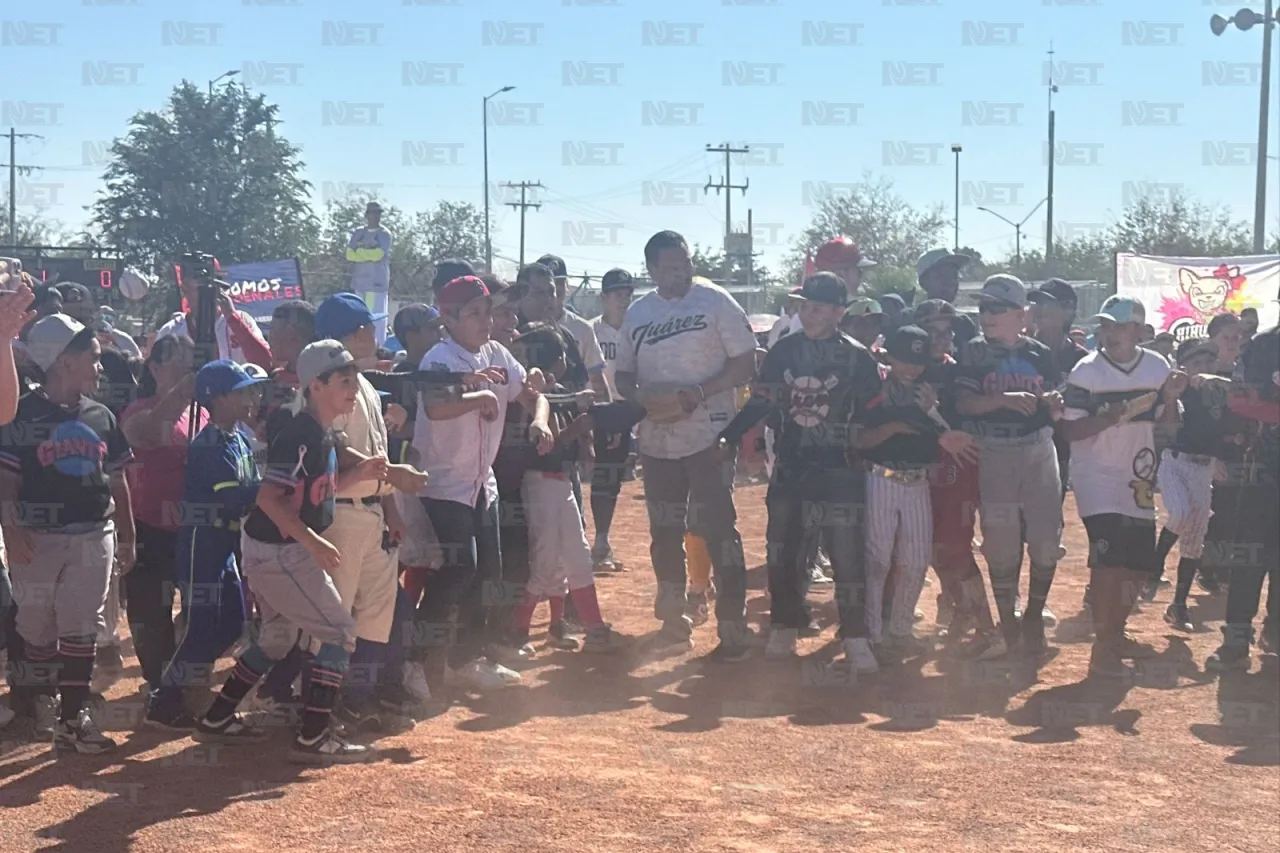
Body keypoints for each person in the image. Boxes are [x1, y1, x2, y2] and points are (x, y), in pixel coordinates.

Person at [195, 340, 382, 763]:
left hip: (275, 548)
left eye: (355, 380)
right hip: (279, 551)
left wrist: (363, 472)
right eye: (344, 381)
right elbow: (268, 498)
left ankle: (217, 717)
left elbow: (318, 492)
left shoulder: (318, 431)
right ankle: (314, 735)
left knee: (278, 638)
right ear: (316, 386)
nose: (354, 388)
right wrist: (313, 542)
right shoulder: (301, 433)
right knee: (340, 633)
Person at [715, 272, 881, 669]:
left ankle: (856, 634)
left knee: (847, 553)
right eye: (805, 305)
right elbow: (761, 402)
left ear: (839, 312)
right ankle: (785, 625)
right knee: (783, 548)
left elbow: (876, 414)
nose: (808, 313)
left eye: (818, 307)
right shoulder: (783, 352)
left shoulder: (858, 357)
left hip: (841, 468)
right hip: (792, 463)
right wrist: (732, 436)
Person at [614, 230, 759, 660]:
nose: (682, 273)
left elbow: (746, 362)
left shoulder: (714, 301)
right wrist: (640, 398)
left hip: (710, 436)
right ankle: (674, 622)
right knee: (664, 532)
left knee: (719, 530)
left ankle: (732, 624)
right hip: (658, 440)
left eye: (686, 263)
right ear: (652, 270)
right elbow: (622, 375)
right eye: (671, 267)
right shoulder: (638, 314)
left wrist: (701, 390)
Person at [0, 313, 135, 753]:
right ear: (62, 362)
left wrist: (128, 536)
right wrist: (11, 528)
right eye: (91, 358)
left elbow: (117, 479)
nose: (99, 367)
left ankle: (74, 717)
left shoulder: (101, 415)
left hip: (94, 531)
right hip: (38, 537)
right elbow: (8, 481)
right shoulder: (21, 411)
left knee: (81, 627)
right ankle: (46, 697)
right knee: (36, 628)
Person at [414, 275, 553, 691]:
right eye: (473, 312)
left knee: (487, 571)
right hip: (441, 483)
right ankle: (412, 662)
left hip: (479, 483)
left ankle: (465, 658)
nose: (485, 320)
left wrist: (541, 422)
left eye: (487, 311)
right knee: (460, 568)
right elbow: (436, 407)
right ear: (448, 317)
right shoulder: (439, 359)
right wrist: (480, 396)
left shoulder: (496, 353)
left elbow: (533, 395)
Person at [311, 293, 426, 727]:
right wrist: (393, 473)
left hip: (374, 509)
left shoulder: (363, 385)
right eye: (366, 328)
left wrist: (393, 508)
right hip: (339, 510)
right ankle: (324, 703)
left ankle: (359, 699)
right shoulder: (328, 386)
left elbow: (376, 450)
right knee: (335, 616)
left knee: (377, 614)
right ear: (352, 334)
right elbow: (334, 452)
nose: (373, 334)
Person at [1060, 295, 1184, 677]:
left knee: (1137, 563)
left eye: (1119, 325)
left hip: (1138, 476)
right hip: (1095, 475)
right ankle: (1104, 642)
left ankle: (1116, 631)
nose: (1110, 333)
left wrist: (1172, 399)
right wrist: (1109, 419)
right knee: (1108, 558)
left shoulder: (1157, 366)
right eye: (1106, 325)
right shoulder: (1086, 372)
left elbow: (1169, 425)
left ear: (1139, 330)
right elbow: (1069, 430)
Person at [145, 360, 265, 729]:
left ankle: (183, 679)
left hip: (224, 541)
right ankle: (164, 701)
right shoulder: (209, 441)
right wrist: (276, 488)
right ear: (219, 399)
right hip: (203, 539)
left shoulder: (239, 438)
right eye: (242, 391)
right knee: (200, 626)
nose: (252, 397)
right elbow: (236, 498)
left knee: (232, 624)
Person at [855, 325, 980, 664]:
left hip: (918, 480)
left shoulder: (927, 393)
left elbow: (941, 433)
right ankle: (872, 632)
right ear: (890, 357)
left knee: (915, 559)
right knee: (878, 559)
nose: (911, 368)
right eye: (904, 360)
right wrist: (894, 426)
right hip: (881, 477)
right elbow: (860, 438)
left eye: (917, 361)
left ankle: (900, 629)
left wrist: (931, 412)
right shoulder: (875, 388)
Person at [954, 275, 1065, 654]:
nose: (987, 315)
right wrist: (1002, 399)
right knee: (1000, 543)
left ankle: (1033, 614)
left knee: (1047, 539)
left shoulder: (1039, 352)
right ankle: (1008, 621)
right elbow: (964, 404)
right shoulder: (972, 351)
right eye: (984, 307)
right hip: (993, 449)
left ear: (1021, 314)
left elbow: (1055, 397)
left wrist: (1053, 401)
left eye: (996, 308)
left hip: (1038, 448)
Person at [505, 324, 626, 653]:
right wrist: (581, 426)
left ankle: (581, 626)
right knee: (546, 560)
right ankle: (519, 628)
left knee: (576, 555)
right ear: (557, 361)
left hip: (559, 483)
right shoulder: (534, 395)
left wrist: (583, 431)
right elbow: (549, 446)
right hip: (541, 483)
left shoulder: (556, 392)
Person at [912, 299, 1002, 656]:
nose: (940, 338)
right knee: (932, 547)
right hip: (922, 466)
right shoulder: (909, 370)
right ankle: (959, 607)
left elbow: (966, 421)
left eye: (946, 331)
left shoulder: (959, 369)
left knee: (957, 547)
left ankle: (988, 628)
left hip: (957, 466)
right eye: (932, 331)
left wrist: (934, 416)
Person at [119, 336, 199, 694]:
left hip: (194, 528)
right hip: (151, 525)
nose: (184, 367)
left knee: (203, 607)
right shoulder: (139, 410)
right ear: (153, 368)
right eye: (176, 361)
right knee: (151, 611)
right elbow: (150, 432)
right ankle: (158, 681)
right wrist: (183, 391)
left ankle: (180, 672)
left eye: (188, 361)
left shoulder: (202, 413)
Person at [1205, 318, 1279, 671]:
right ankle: (1235, 641)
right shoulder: (1263, 347)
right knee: (1250, 556)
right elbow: (1239, 401)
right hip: (1265, 466)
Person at [1147, 339, 1222, 627]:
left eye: (1207, 363)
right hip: (1176, 462)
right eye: (1195, 364)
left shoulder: (1219, 393)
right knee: (1179, 513)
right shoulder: (1179, 392)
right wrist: (1172, 394)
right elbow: (1167, 425)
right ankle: (1154, 568)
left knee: (1194, 542)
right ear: (1183, 368)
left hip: (1204, 469)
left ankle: (1178, 605)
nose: (1203, 369)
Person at [588, 268, 635, 572]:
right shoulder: (591, 330)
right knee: (602, 477)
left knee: (615, 479)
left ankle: (602, 540)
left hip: (632, 408)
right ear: (604, 297)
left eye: (628, 293)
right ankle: (599, 542)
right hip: (603, 410)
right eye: (617, 293)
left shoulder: (638, 329)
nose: (623, 299)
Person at [155, 269, 271, 369]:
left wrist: (232, 318)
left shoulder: (241, 320)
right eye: (185, 288)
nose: (186, 292)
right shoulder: (171, 329)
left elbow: (265, 363)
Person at [535, 253, 611, 402]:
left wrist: (607, 417)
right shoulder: (522, 326)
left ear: (567, 286)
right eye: (549, 285)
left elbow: (597, 379)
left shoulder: (582, 328)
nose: (555, 290)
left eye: (560, 283)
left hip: (574, 412)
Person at [347, 201, 394, 342]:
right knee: (359, 317)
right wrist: (367, 254)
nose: (376, 216)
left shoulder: (384, 234)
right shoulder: (358, 233)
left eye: (378, 213)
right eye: (373, 213)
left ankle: (379, 346)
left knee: (377, 318)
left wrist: (360, 253)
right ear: (366, 215)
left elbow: (378, 254)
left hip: (376, 283)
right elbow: (349, 254)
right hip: (359, 283)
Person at [916, 248, 978, 345]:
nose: (949, 282)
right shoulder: (914, 323)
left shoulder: (965, 325)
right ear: (923, 282)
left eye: (953, 275)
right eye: (941, 275)